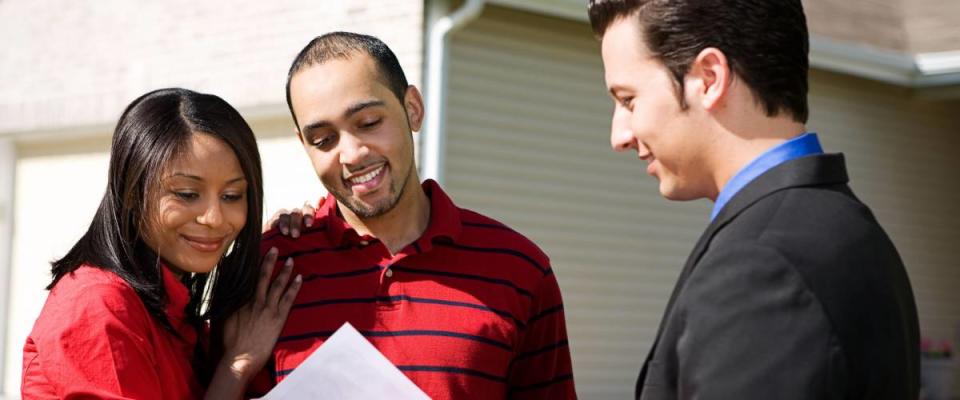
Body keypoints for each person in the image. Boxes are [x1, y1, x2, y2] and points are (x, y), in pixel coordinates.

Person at [586, 1, 920, 399]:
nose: (618, 136)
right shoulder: (849, 229)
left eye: (628, 100)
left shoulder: (761, 268)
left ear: (709, 78)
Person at [249, 32, 576, 399]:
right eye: (324, 140)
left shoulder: (521, 269)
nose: (352, 154)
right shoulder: (269, 269)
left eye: (369, 122)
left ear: (413, 109)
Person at [21, 88, 301, 399]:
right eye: (186, 194)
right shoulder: (99, 304)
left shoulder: (175, 312)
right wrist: (236, 366)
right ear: (131, 192)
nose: (214, 218)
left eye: (232, 196)